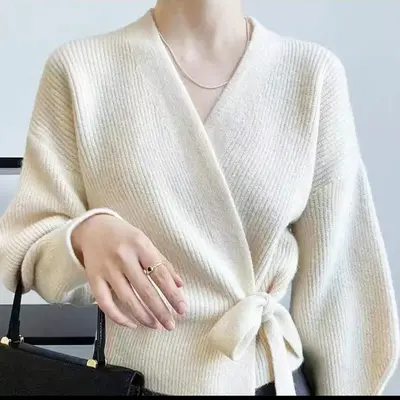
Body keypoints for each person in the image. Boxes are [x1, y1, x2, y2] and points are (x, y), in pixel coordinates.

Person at [0, 0, 398, 395]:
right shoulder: (81, 70)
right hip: (135, 384)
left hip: (268, 381)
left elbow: (341, 287)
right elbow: (23, 243)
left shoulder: (311, 75)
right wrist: (86, 235)